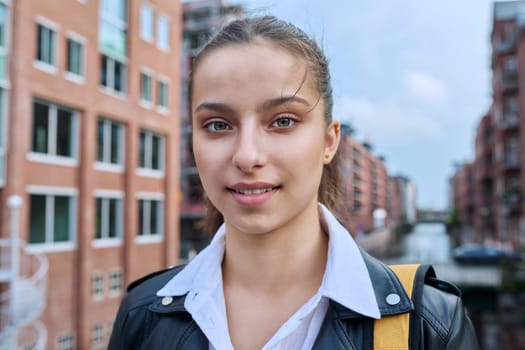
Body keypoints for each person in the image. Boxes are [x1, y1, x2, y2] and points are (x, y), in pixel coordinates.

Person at [109, 16, 479, 350]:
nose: (247, 155)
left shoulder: (430, 325)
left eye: (283, 121)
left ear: (329, 141)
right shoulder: (142, 315)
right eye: (218, 125)